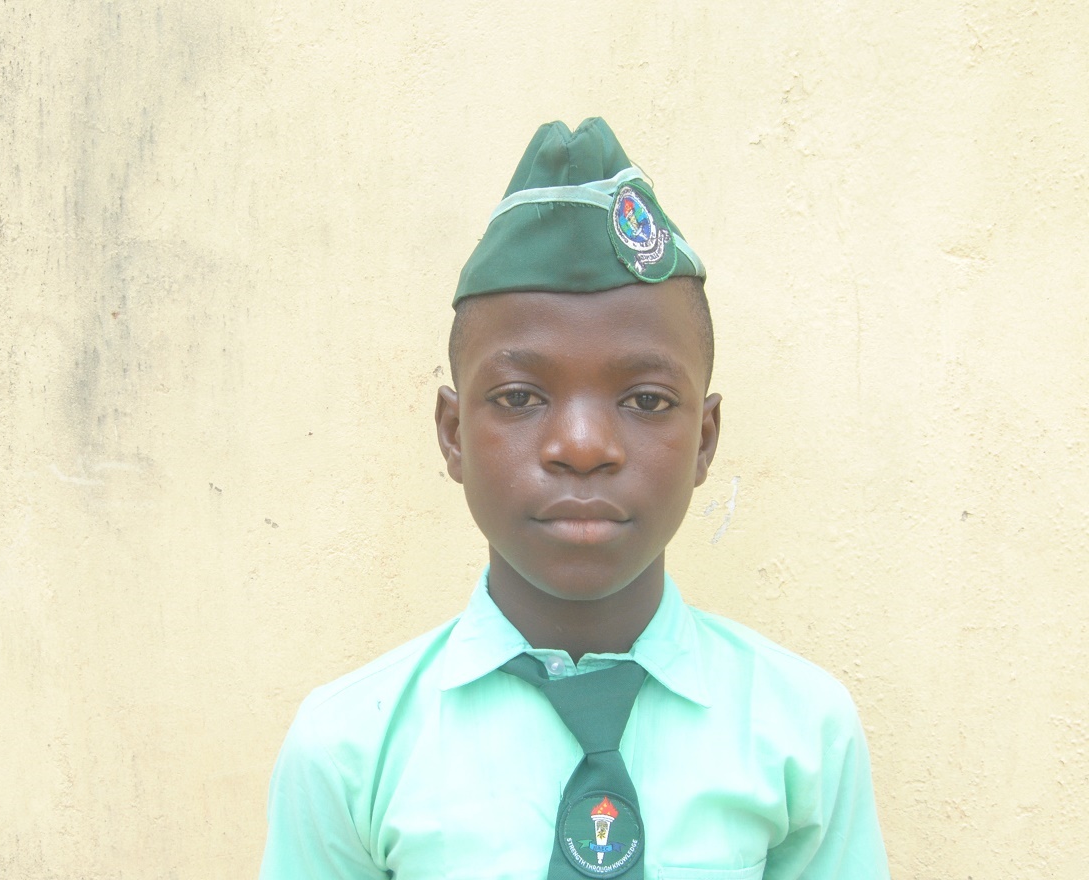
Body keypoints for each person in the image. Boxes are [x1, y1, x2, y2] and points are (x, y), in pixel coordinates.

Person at [259, 118, 890, 879]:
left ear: (705, 438)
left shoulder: (802, 734)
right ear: (453, 435)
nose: (583, 446)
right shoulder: (349, 750)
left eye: (647, 400)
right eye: (520, 397)